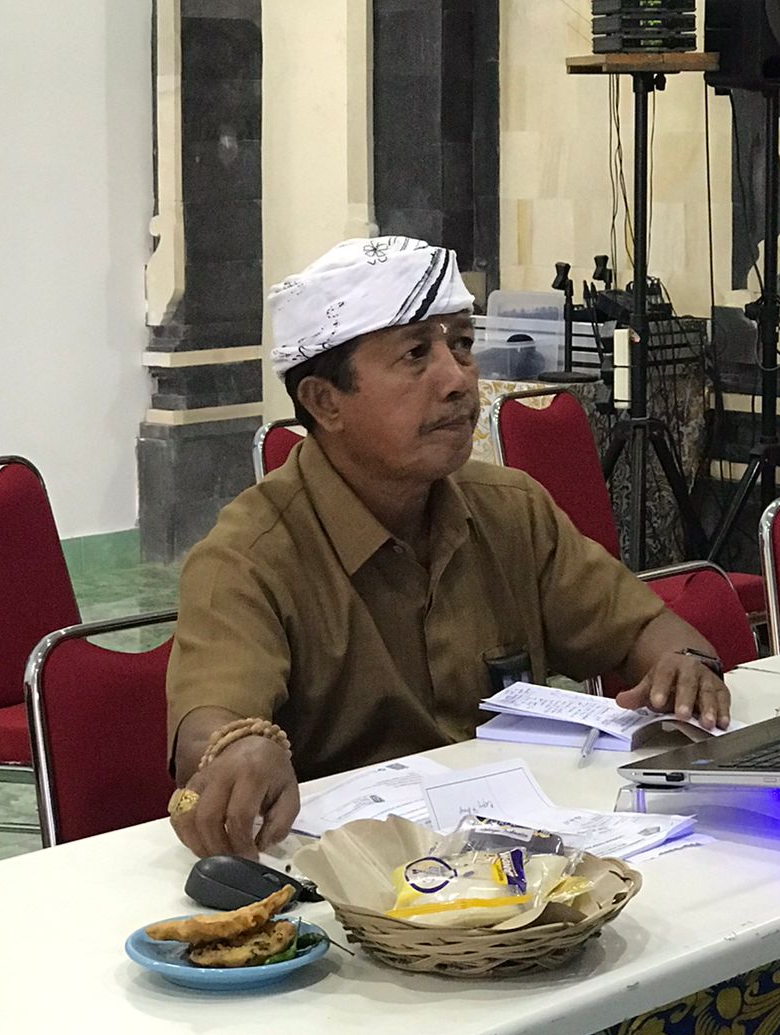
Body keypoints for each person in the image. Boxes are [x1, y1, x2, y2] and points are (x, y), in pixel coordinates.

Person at [165, 236, 731, 859]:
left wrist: (683, 667)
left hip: (522, 864)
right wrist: (241, 748)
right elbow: (210, 728)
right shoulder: (248, 556)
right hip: (355, 883)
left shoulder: (510, 510)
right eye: (415, 355)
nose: (459, 379)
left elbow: (646, 630)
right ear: (326, 402)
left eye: (461, 344)